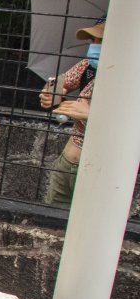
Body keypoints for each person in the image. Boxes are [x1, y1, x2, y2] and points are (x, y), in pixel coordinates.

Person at [39, 17, 105, 206]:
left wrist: (91, 115)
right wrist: (51, 93)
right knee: (52, 223)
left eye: (102, 40)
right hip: (66, 162)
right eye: (93, 40)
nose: (95, 46)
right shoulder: (88, 66)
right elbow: (60, 82)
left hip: (98, 168)